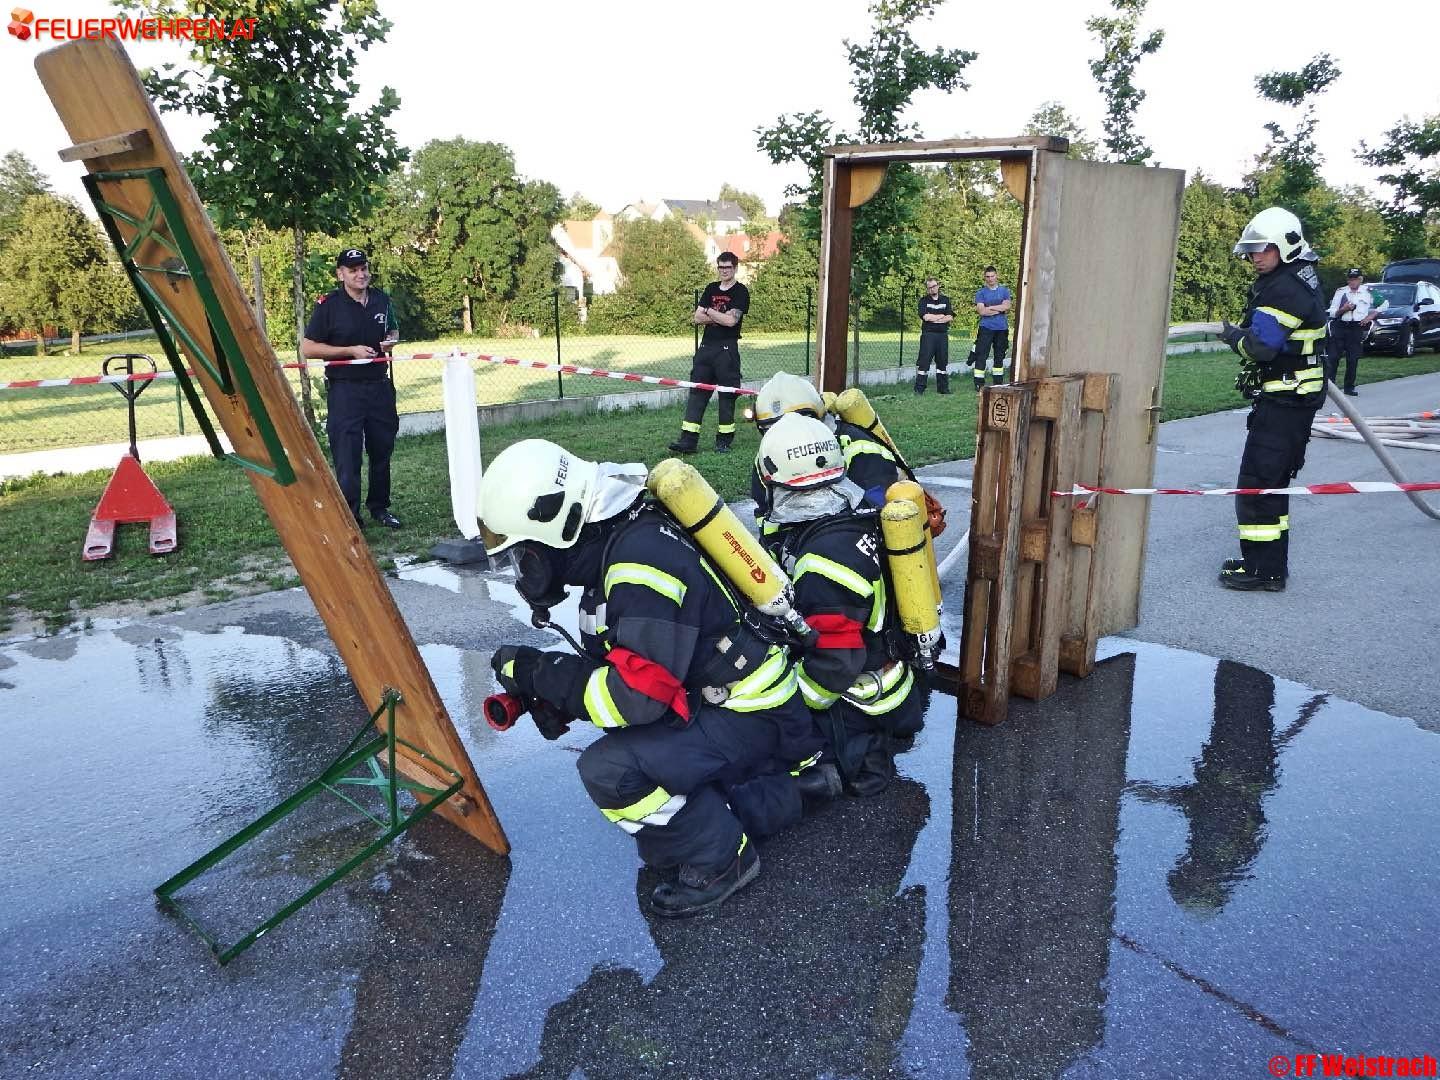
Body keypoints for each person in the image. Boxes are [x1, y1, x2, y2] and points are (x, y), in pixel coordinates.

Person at [477, 439, 827, 917]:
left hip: (750, 711)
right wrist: (558, 693)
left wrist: (542, 674)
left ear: (556, 527)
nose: (524, 571)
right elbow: (625, 661)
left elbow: (637, 699)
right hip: (737, 699)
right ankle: (789, 793)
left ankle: (723, 859)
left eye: (524, 555)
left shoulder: (639, 565)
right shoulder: (621, 538)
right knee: (660, 836)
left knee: (610, 772)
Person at [755, 413, 929, 796]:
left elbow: (836, 662)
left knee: (763, 736)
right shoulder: (859, 515)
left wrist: (791, 705)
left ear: (772, 479)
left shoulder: (823, 561)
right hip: (890, 677)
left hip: (860, 702)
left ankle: (844, 763)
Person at [1216, 207, 1329, 592]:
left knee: (1256, 485)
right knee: (1273, 485)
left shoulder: (1283, 288)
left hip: (1286, 400)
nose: (1255, 257)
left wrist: (1235, 338)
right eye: (1251, 251)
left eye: (1263, 249)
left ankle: (1261, 572)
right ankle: (1268, 565)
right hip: (1293, 397)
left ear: (1286, 245)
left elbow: (1261, 348)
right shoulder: (1298, 275)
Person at [301, 247, 402, 529]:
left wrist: (391, 341)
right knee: (348, 455)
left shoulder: (382, 300)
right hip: (345, 390)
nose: (360, 274)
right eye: (353, 270)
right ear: (341, 274)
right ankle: (350, 518)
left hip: (379, 387)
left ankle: (380, 508)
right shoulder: (328, 305)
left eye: (363, 268)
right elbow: (307, 348)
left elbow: (393, 330)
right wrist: (349, 351)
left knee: (382, 450)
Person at [747, 370, 900, 527]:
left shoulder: (864, 451)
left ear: (819, 416)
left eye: (799, 423)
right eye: (771, 429)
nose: (786, 434)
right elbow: (765, 513)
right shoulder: (768, 458)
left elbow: (879, 515)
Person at [668, 252, 749, 455]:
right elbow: (697, 317)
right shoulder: (711, 288)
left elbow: (732, 321)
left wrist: (710, 312)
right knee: (696, 393)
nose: (724, 271)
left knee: (727, 396)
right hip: (705, 350)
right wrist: (719, 315)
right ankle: (688, 441)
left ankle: (723, 441)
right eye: (721, 267)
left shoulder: (741, 292)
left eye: (728, 267)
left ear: (735, 268)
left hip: (727, 351)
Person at [1326, 268, 1384, 396]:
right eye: (1350, 279)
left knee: (1353, 359)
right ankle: (1331, 388)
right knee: (1333, 357)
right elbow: (1332, 311)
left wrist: (1370, 317)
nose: (1352, 282)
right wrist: (1343, 309)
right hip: (1340, 325)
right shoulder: (1341, 291)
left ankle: (1349, 387)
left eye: (1355, 279)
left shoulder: (1368, 292)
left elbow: (1384, 304)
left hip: (1356, 327)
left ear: (1361, 279)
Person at [970, 266, 1013, 390]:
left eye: (992, 276)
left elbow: (1007, 306)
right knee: (981, 355)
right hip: (986, 328)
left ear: (996, 276)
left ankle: (998, 382)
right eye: (987, 277)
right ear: (985, 278)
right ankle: (979, 383)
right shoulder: (981, 293)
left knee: (999, 356)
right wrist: (997, 309)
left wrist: (990, 308)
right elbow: (981, 311)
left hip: (1001, 328)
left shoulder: (1004, 291)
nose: (990, 279)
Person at [914, 276, 954, 394]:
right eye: (929, 287)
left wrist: (935, 318)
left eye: (934, 286)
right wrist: (942, 316)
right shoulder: (923, 301)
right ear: (927, 289)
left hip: (942, 335)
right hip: (928, 335)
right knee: (924, 361)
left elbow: (950, 316)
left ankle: (943, 388)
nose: (932, 289)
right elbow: (926, 317)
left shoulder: (945, 300)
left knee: (942, 362)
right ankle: (919, 388)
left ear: (938, 286)